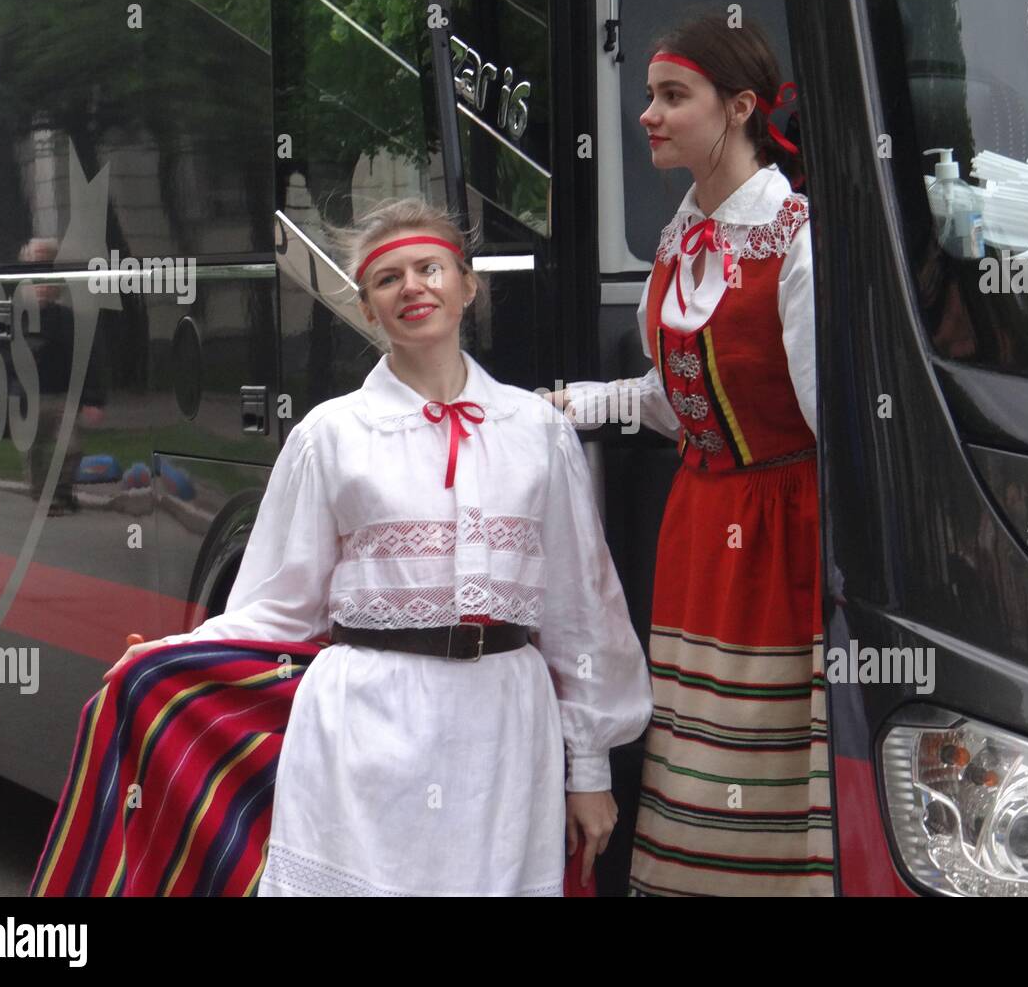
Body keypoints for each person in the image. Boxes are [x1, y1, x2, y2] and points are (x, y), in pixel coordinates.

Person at [105, 198, 652, 896]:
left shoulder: (537, 431)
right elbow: (277, 604)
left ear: (468, 284)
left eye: (430, 268)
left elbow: (581, 608)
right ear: (367, 309)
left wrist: (591, 771)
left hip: (505, 731)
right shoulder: (331, 435)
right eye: (388, 279)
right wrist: (165, 655)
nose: (413, 287)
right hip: (366, 730)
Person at [548, 12, 830, 896]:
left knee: (764, 742)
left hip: (781, 526)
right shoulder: (681, 237)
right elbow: (680, 402)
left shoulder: (795, 239)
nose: (649, 115)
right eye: (649, 97)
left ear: (740, 108)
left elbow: (830, 420)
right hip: (700, 520)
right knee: (695, 740)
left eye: (674, 96)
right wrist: (574, 402)